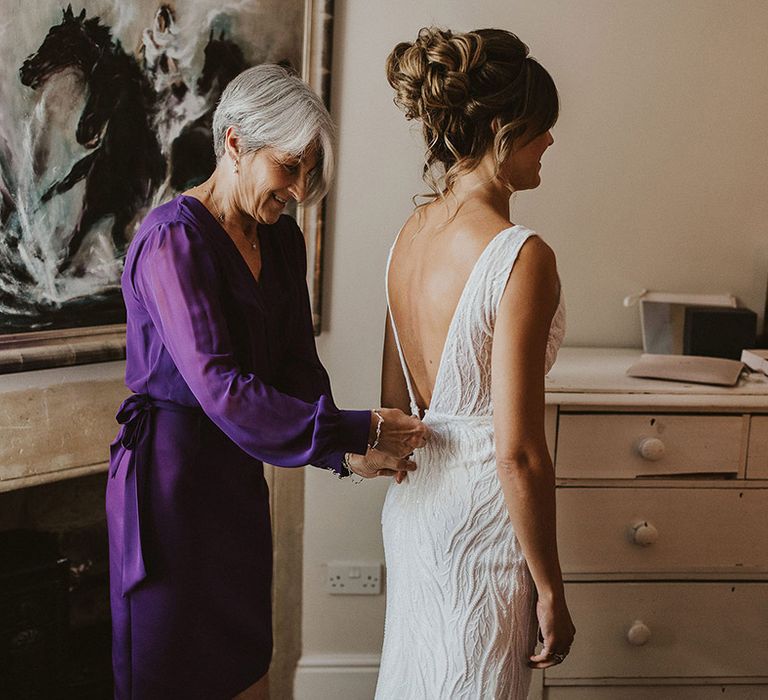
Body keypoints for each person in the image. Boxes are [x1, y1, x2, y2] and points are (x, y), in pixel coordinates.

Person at [106, 64, 426, 700]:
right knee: (173, 669)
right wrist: (358, 428)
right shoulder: (172, 241)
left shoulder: (280, 238)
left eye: (309, 172)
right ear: (233, 144)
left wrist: (344, 448)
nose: (300, 190)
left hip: (238, 479)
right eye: (289, 167)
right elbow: (221, 387)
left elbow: (294, 363)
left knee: (245, 659)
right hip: (172, 488)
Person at [375, 28, 575, 699]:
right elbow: (518, 452)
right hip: (483, 525)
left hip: (415, 509)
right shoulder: (521, 255)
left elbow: (393, 409)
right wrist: (550, 588)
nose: (550, 142)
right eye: (541, 128)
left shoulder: (409, 235)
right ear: (503, 129)